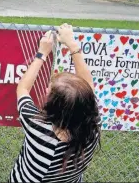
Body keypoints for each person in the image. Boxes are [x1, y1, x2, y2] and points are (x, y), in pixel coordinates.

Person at [10, 23, 101, 182]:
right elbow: (88, 87)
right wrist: (71, 43)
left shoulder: (38, 129)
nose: (45, 90)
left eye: (49, 91)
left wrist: (41, 54)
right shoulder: (91, 128)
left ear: (55, 108)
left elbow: (23, 89)